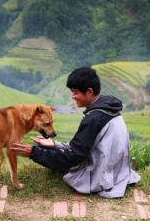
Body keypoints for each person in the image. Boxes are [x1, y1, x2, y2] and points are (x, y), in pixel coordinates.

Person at [10, 66, 141, 198]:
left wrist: (33, 152)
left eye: (75, 92)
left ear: (89, 92)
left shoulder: (94, 118)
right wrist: (55, 145)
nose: (73, 97)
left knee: (39, 148)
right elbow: (82, 147)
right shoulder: (110, 110)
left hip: (101, 176)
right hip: (118, 171)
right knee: (47, 147)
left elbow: (73, 157)